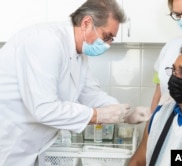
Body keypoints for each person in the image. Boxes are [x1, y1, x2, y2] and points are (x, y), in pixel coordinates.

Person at [0, 0, 149, 165]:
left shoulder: (78, 53)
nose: (107, 45)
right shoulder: (46, 41)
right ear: (86, 23)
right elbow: (43, 108)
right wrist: (96, 115)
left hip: (30, 145)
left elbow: (91, 94)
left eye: (111, 39)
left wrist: (124, 114)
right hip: (9, 141)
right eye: (106, 36)